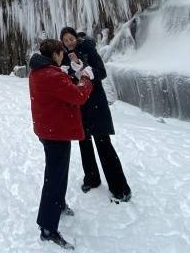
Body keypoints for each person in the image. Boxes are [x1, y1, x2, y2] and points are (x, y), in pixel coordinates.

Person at [29, 39, 94, 250]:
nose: (63, 56)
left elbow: (58, 92)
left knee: (58, 172)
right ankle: (47, 227)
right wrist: (85, 78)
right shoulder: (51, 75)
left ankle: (59, 203)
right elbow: (78, 96)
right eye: (61, 53)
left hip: (48, 129)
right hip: (55, 132)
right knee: (55, 176)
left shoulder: (39, 71)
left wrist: (64, 74)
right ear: (55, 54)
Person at [60, 27, 131, 202]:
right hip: (79, 104)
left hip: (95, 102)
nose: (69, 42)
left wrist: (85, 70)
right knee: (84, 142)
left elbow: (101, 71)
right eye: (66, 40)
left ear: (76, 38)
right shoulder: (63, 55)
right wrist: (68, 73)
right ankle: (92, 179)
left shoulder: (88, 48)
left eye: (71, 38)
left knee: (103, 144)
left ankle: (120, 188)